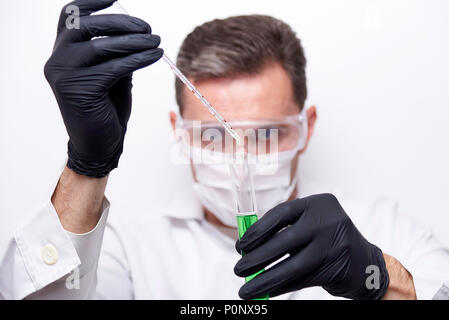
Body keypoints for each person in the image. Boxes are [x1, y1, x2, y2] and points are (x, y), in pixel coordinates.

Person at [1, 0, 449, 300]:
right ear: (179, 132)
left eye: (269, 133)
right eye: (214, 136)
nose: (243, 158)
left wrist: (376, 276)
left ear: (306, 128)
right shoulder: (129, 251)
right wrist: (87, 164)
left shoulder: (383, 228)